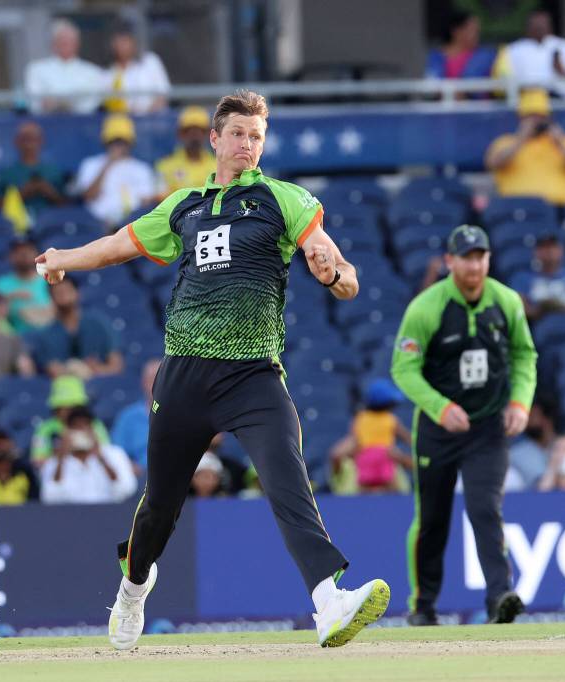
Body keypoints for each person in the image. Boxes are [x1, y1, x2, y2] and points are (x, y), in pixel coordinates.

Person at [36, 89, 388, 650]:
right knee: (159, 506)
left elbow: (336, 265)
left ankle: (328, 601)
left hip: (253, 375)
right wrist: (61, 259)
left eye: (257, 137)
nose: (249, 145)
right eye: (240, 135)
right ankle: (133, 587)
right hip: (185, 375)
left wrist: (335, 273)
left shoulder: (283, 199)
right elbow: (115, 246)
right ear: (215, 140)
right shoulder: (184, 206)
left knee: (286, 477)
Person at [391, 224, 537, 627]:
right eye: (466, 257)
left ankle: (499, 599)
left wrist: (520, 403)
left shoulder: (506, 302)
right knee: (432, 517)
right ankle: (423, 606)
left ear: (488, 260)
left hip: (488, 426)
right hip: (438, 430)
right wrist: (439, 407)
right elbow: (403, 369)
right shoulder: (426, 307)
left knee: (485, 508)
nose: (474, 266)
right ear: (450, 261)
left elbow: (525, 356)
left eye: (481, 257)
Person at [484, 89, 565, 206]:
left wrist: (560, 143)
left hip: (557, 207)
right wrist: (521, 139)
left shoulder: (564, 141)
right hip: (516, 207)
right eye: (532, 117)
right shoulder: (505, 141)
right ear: (521, 119)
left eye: (541, 117)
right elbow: (494, 163)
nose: (536, 122)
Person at [329, 379, 412, 495]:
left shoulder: (364, 418)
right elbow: (408, 438)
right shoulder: (386, 419)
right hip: (369, 460)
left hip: (379, 459)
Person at [26, 278, 122, 378]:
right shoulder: (46, 335)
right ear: (51, 297)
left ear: (77, 293)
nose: (63, 295)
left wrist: (97, 370)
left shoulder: (98, 323)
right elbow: (52, 369)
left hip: (101, 383)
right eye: (58, 292)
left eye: (67, 290)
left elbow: (116, 365)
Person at [40, 406, 137, 504]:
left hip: (107, 514)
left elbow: (126, 489)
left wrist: (101, 457)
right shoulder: (54, 461)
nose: (81, 432)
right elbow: (49, 497)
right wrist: (61, 459)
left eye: (85, 427)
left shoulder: (114, 454)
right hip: (70, 516)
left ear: (93, 430)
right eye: (76, 428)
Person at [74, 114, 158, 228]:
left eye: (122, 141)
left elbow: (147, 202)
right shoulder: (91, 164)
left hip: (132, 227)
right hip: (97, 226)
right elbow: (88, 196)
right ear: (106, 141)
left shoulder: (142, 169)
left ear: (130, 142)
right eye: (114, 141)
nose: (118, 145)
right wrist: (108, 164)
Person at [24, 19, 104, 114]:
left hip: (82, 124)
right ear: (53, 43)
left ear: (77, 43)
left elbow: (92, 103)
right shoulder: (36, 69)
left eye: (70, 41)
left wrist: (63, 103)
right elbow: (34, 102)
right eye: (62, 40)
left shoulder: (93, 72)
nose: (66, 45)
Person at [502, 10, 565, 99]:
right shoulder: (513, 49)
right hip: (527, 102)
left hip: (562, 100)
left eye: (542, 25)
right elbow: (504, 80)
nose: (539, 28)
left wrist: (561, 70)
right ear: (528, 27)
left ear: (550, 26)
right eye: (536, 25)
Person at [510, 233, 565, 321]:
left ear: (561, 250)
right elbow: (519, 309)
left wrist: (557, 307)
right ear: (536, 252)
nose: (549, 251)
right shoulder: (522, 278)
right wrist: (543, 308)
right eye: (544, 247)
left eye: (552, 247)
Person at [29, 375, 110, 466]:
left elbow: (107, 454)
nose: (69, 413)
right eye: (64, 408)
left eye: (73, 407)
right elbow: (38, 461)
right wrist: (63, 453)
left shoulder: (95, 425)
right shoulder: (46, 429)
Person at [0, 121, 67, 219]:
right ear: (17, 142)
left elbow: (67, 206)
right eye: (25, 139)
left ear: (41, 141)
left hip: (50, 226)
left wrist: (50, 192)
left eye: (33, 139)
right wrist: (22, 193)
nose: (29, 144)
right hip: (16, 226)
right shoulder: (7, 173)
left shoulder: (54, 171)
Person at [102, 25, 170, 114]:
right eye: (118, 42)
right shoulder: (108, 73)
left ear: (133, 42)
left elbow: (163, 94)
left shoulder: (150, 60)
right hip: (124, 123)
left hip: (154, 119)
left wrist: (146, 116)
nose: (122, 46)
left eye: (125, 41)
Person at [110, 358, 162, 475]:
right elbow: (117, 452)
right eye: (152, 379)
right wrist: (130, 467)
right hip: (138, 476)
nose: (157, 384)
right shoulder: (128, 417)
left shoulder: (180, 414)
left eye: (162, 379)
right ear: (143, 383)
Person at [0, 239, 53, 333]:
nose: (24, 254)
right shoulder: (1, 284)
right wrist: (9, 298)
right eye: (18, 251)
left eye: (28, 250)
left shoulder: (49, 279)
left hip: (47, 335)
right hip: (14, 338)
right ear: (10, 256)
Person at [155, 106, 217, 197]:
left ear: (208, 134)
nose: (194, 137)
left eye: (199, 132)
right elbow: (160, 200)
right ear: (180, 134)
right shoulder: (164, 166)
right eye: (189, 131)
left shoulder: (218, 166)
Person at [425, 12, 497, 82]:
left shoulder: (486, 55)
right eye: (473, 30)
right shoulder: (436, 56)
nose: (477, 35)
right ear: (457, 31)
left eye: (478, 31)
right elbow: (433, 84)